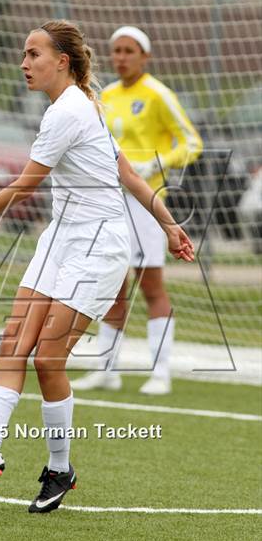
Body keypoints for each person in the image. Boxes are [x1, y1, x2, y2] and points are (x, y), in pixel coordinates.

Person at [0, 20, 194, 513]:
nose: (24, 64)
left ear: (62, 61)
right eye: (23, 55)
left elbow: (25, 187)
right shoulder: (82, 102)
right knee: (13, 345)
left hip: (99, 245)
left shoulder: (68, 110)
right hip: (61, 239)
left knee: (48, 359)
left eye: (33, 54)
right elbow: (125, 169)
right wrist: (171, 223)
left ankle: (59, 469)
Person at [71, 26, 203, 396]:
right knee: (112, 284)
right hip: (110, 201)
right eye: (116, 50)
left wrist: (157, 162)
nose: (121, 57)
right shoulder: (105, 95)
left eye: (129, 50)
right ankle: (106, 369)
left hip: (146, 202)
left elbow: (192, 142)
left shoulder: (159, 94)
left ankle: (160, 372)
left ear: (145, 56)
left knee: (151, 284)